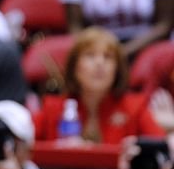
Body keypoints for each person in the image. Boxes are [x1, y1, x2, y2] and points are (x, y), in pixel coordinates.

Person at [35, 26, 165, 143]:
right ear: (75, 67)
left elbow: (162, 147)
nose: (99, 63)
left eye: (108, 57)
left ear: (117, 69)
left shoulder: (134, 108)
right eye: (90, 55)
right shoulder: (52, 108)